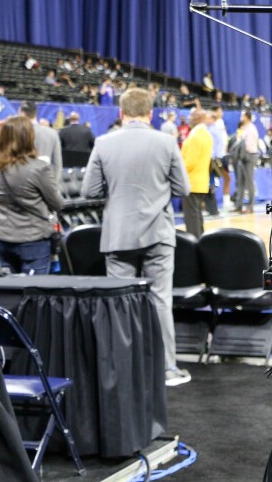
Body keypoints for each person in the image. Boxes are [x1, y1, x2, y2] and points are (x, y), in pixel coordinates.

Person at [81, 88, 192, 387]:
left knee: (118, 302)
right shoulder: (166, 142)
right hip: (158, 233)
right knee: (160, 302)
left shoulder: (103, 143)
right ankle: (167, 368)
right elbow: (183, 188)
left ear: (121, 112)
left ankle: (120, 369)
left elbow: (89, 191)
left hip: (118, 235)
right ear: (151, 113)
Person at [0, 116, 63, 274]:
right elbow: (57, 204)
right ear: (28, 138)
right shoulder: (40, 168)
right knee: (33, 294)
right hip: (33, 239)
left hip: (2, 237)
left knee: (7, 294)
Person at [180, 109, 213, 238]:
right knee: (197, 216)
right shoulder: (206, 134)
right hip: (201, 181)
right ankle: (200, 243)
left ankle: (194, 245)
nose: (189, 118)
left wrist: (177, 172)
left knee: (192, 218)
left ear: (198, 118)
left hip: (191, 181)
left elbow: (190, 162)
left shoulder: (195, 136)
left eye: (192, 116)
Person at [19, 101, 63, 182]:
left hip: (22, 185)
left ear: (22, 113)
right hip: (46, 184)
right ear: (36, 113)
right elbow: (57, 164)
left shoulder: (17, 133)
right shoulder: (52, 133)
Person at [232, 110, 258, 214]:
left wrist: (243, 155)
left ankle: (250, 206)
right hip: (242, 157)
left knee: (249, 182)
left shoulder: (251, 129)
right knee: (240, 183)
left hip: (249, 156)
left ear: (247, 117)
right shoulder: (244, 128)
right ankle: (239, 205)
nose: (241, 117)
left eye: (242, 115)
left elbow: (249, 145)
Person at [206, 107, 229, 214]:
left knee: (211, 183)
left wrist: (211, 159)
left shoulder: (211, 131)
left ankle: (212, 209)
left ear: (212, 119)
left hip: (213, 160)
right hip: (218, 159)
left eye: (207, 118)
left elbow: (212, 147)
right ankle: (212, 208)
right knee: (212, 183)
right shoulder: (216, 130)